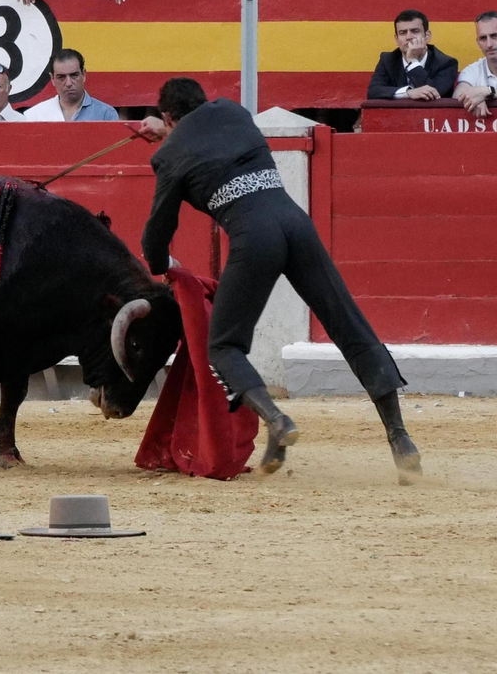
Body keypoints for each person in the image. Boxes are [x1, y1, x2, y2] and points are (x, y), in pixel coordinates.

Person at [134, 76, 420, 480]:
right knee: (349, 325)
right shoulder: (233, 111)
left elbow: (155, 237)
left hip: (254, 237)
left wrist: (162, 267)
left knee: (224, 347)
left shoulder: (169, 156)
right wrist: (169, 132)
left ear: (168, 116)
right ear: (204, 100)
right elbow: (203, 131)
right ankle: (400, 437)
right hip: (295, 223)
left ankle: (276, 420)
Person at [366, 7, 458, 99]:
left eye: (415, 31)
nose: (409, 37)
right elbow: (373, 92)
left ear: (427, 36)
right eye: (402, 33)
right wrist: (408, 92)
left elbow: (434, 94)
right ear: (396, 39)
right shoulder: (387, 60)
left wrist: (412, 61)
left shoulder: (446, 63)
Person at [22, 48, 119, 122]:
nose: (68, 83)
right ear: (52, 79)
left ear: (83, 74)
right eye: (61, 77)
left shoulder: (106, 114)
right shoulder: (35, 116)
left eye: (74, 75)